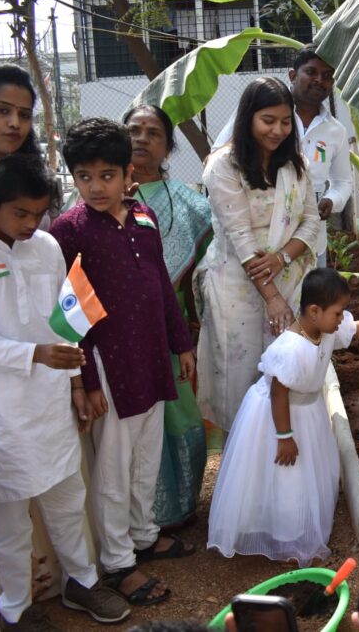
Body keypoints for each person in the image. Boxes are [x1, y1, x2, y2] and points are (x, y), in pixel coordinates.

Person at [0, 153, 130, 630]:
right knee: (9, 523)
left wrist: (75, 383)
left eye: (38, 213)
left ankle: (83, 583)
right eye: (20, 214)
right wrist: (36, 355)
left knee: (66, 502)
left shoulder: (49, 247)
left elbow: (65, 321)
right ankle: (15, 608)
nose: (31, 224)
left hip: (50, 403)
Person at [49, 118, 197, 607]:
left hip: (152, 359)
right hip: (108, 366)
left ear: (127, 172)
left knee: (146, 458)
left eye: (107, 175)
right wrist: (85, 380)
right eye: (84, 176)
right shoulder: (67, 231)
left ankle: (143, 534)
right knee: (113, 469)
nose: (95, 186)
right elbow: (69, 316)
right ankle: (117, 563)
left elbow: (161, 286)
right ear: (73, 176)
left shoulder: (144, 217)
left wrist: (182, 345)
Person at [208, 268, 359, 563]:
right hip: (276, 418)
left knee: (303, 471)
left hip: (307, 412)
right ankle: (278, 531)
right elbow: (278, 393)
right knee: (284, 471)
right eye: (338, 313)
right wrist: (284, 437)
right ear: (313, 311)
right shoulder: (290, 348)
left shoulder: (325, 331)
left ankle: (296, 529)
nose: (342, 318)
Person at [0, 64, 65, 621]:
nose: (15, 122)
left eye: (25, 113)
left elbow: (51, 261)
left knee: (50, 479)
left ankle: (47, 586)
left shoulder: (33, 178)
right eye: (3, 110)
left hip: (37, 372)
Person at [196, 77, 321, 433]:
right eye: (268, 120)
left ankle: (286, 451)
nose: (278, 130)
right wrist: (272, 297)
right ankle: (245, 458)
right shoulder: (223, 166)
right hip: (237, 287)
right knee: (242, 378)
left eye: (285, 121)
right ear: (248, 117)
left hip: (288, 278)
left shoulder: (296, 165)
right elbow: (239, 235)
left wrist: (282, 257)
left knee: (287, 372)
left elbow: (311, 223)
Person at [124, 105, 213, 529]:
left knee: (182, 416)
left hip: (172, 328)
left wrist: (194, 328)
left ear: (166, 146)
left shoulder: (192, 206)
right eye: (133, 130)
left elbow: (204, 270)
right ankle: (136, 519)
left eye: (153, 132)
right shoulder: (96, 198)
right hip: (118, 332)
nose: (141, 138)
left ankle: (179, 510)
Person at [212, 47, 353, 267]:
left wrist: (331, 200)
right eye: (311, 72)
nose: (319, 80)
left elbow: (343, 182)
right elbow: (220, 153)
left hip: (308, 239)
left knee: (308, 299)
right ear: (293, 75)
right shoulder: (262, 109)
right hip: (258, 235)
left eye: (327, 76)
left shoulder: (336, 131)